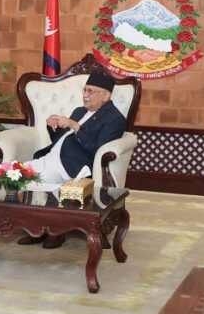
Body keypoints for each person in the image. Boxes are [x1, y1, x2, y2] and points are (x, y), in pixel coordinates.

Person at [18, 71, 127, 249]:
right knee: (13, 173)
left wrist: (76, 126)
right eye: (84, 90)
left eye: (90, 91)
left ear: (105, 95)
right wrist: (52, 126)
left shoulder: (114, 119)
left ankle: (54, 231)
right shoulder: (79, 111)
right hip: (49, 158)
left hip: (72, 166)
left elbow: (98, 150)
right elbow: (61, 140)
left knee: (43, 180)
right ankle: (36, 228)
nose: (85, 95)